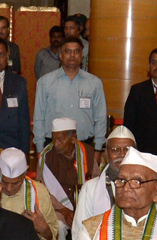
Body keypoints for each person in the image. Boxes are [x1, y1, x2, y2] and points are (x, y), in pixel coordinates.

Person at [33, 37, 106, 170]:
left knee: (84, 189)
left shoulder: (94, 83)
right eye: (68, 51)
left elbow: (100, 118)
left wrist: (98, 149)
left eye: (76, 51)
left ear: (82, 55)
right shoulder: (45, 82)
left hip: (85, 145)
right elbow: (39, 118)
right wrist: (39, 150)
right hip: (53, 147)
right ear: (61, 55)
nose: (72, 55)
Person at [38, 118, 90, 240]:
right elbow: (44, 191)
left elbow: (94, 186)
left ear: (73, 139)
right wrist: (65, 211)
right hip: (58, 209)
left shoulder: (89, 154)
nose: (55, 144)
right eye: (53, 139)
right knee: (58, 227)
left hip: (84, 207)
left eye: (60, 140)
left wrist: (81, 210)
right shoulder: (46, 157)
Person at [71, 125, 135, 240]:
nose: (121, 154)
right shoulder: (90, 188)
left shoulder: (145, 186)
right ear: (106, 154)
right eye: (115, 150)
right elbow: (79, 232)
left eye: (127, 149)